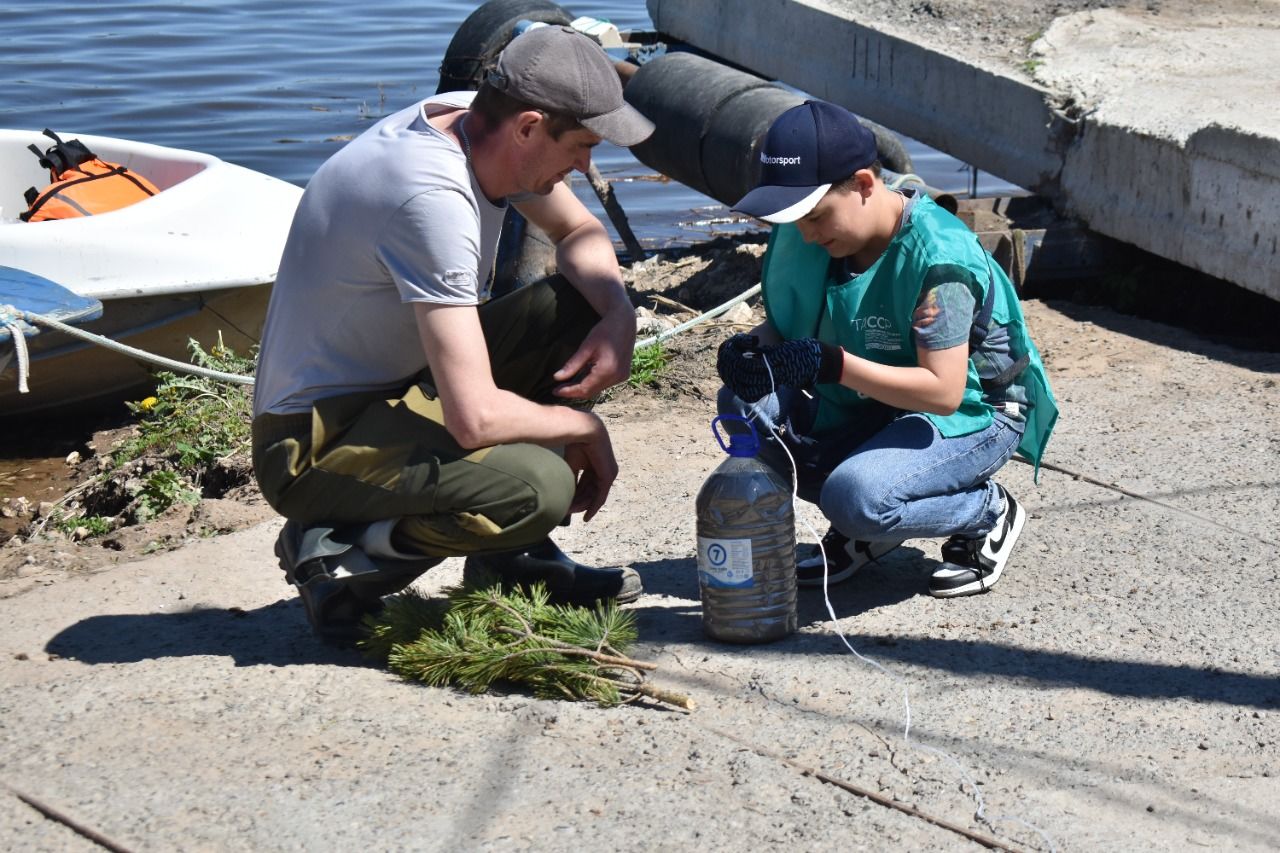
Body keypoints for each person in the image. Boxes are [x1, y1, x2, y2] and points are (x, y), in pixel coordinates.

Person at [251, 26, 655, 642]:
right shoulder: (430, 199)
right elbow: (476, 421)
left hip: (394, 384)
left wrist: (618, 315)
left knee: (580, 310)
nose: (585, 166)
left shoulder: (475, 123)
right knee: (537, 490)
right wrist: (585, 426)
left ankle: (511, 561)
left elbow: (579, 235)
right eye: (580, 146)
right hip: (311, 441)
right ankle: (343, 559)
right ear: (528, 126)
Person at [717, 99, 1058, 597]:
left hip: (973, 412)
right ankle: (865, 530)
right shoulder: (826, 236)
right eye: (794, 220)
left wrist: (831, 364)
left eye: (813, 216)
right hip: (877, 399)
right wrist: (750, 348)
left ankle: (986, 512)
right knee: (743, 407)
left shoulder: (940, 260)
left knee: (856, 496)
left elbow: (944, 392)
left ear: (862, 184)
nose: (805, 235)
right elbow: (794, 323)